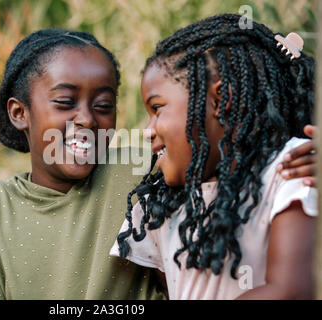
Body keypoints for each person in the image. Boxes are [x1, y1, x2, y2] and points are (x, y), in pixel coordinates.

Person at [0, 26, 315, 300]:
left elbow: (227, 133)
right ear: (19, 112)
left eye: (104, 106)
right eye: (64, 102)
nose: (88, 119)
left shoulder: (149, 173)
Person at [112, 14, 318, 300]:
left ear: (220, 101)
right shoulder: (160, 207)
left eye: (157, 109)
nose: (148, 132)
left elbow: (291, 291)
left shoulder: (292, 169)